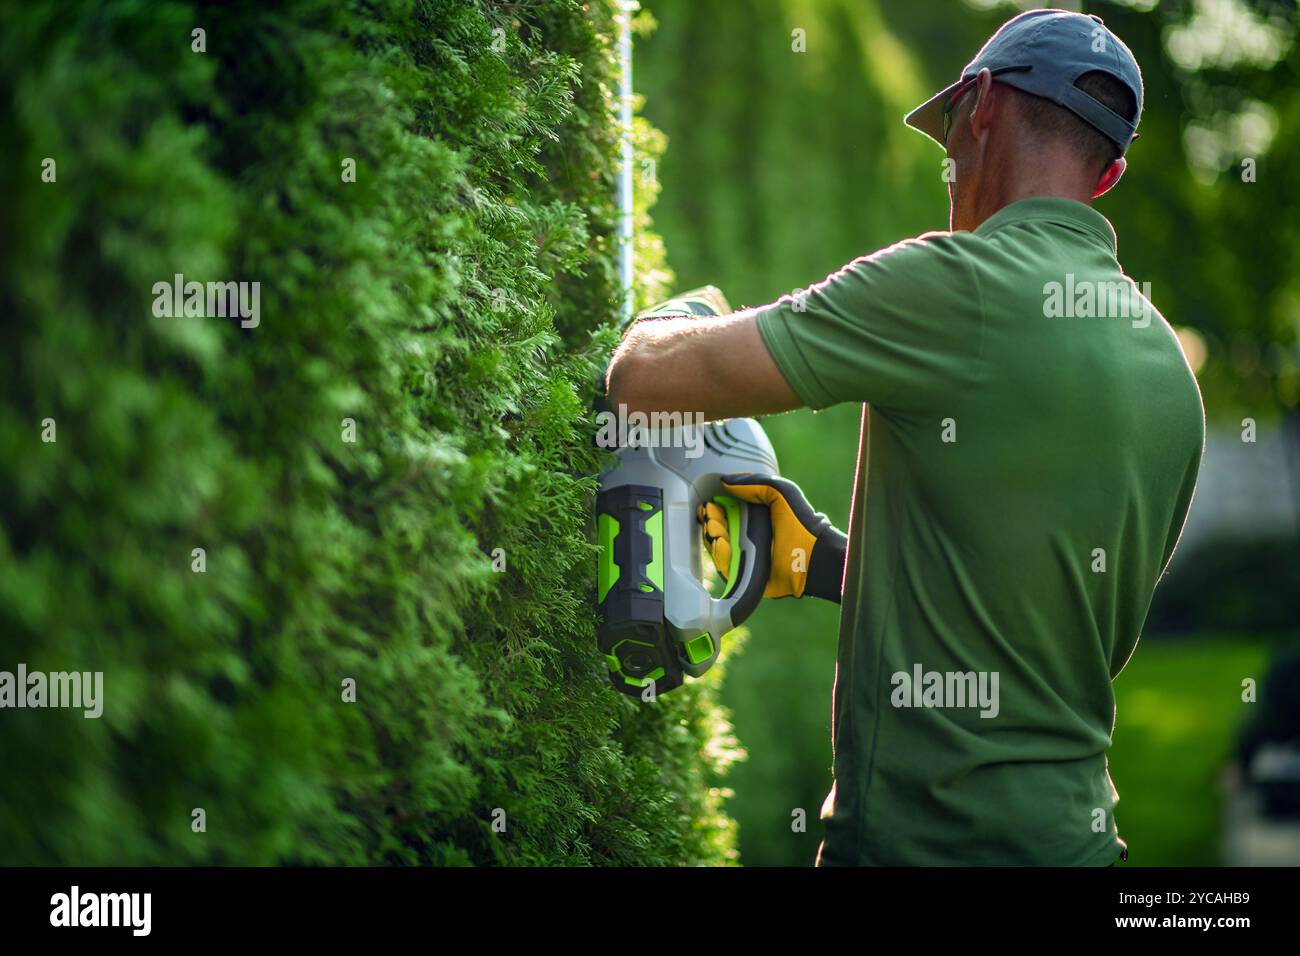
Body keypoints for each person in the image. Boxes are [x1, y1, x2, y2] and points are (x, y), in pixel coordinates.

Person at [604, 8, 1205, 865]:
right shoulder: (1169, 374)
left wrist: (671, 317)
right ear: (1106, 176)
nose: (948, 170)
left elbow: (644, 381)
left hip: (919, 847)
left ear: (982, 105)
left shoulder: (951, 285)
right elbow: (1046, 625)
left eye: (947, 140)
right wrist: (824, 561)